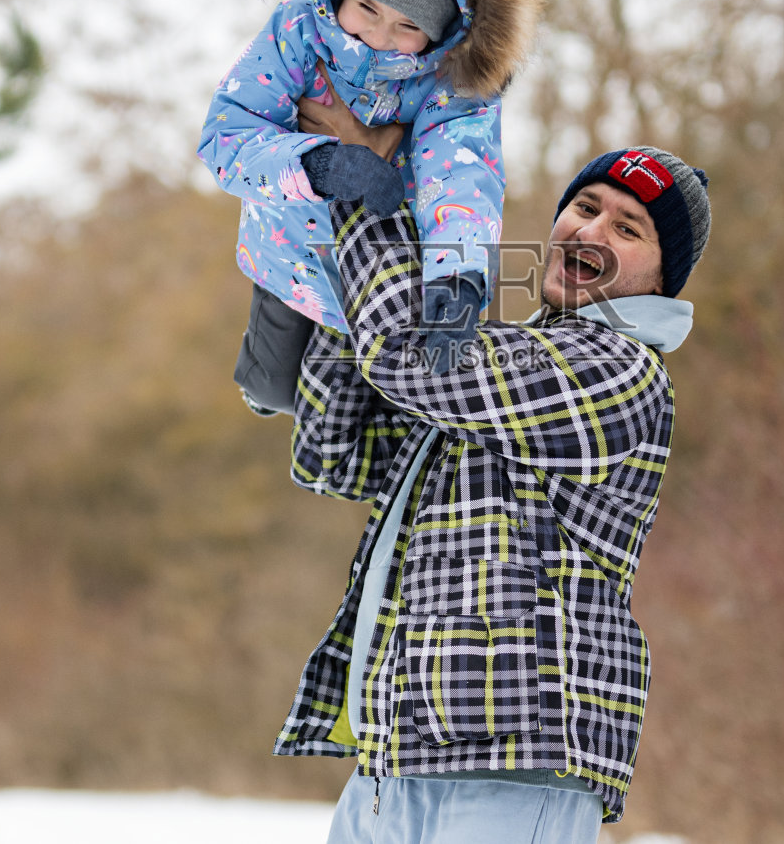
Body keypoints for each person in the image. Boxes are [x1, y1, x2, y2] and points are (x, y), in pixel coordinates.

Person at [277, 131, 711, 842]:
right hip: (395, 755)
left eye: (628, 228)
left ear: (662, 279)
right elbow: (335, 455)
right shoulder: (502, 362)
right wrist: (340, 288)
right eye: (586, 206)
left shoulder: (619, 371)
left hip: (516, 766)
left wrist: (366, 195)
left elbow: (408, 361)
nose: (592, 230)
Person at [197, 0, 543, 415]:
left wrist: (458, 275)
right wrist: (320, 165)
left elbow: (461, 175)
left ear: (444, 30)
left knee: (365, 410)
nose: (380, 38)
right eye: (368, 9)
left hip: (385, 265)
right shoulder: (297, 34)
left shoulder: (450, 83)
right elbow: (229, 137)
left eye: (408, 26)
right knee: (273, 388)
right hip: (289, 251)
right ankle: (266, 386)